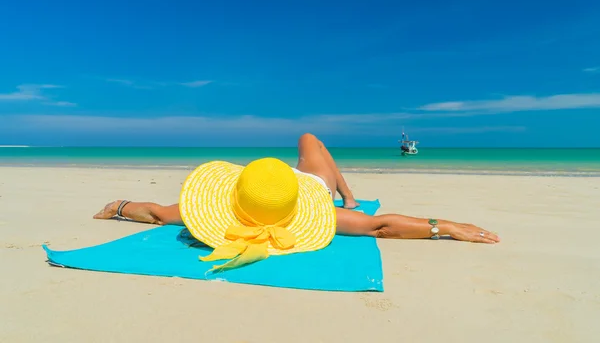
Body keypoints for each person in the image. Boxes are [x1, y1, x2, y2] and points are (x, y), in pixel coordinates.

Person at [94, 133, 500, 247]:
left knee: (309, 139)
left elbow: (154, 212)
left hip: (295, 189)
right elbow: (380, 227)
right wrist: (442, 225)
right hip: (304, 192)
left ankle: (350, 194)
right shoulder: (322, 216)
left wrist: (119, 206)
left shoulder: (195, 213)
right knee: (311, 139)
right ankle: (349, 194)